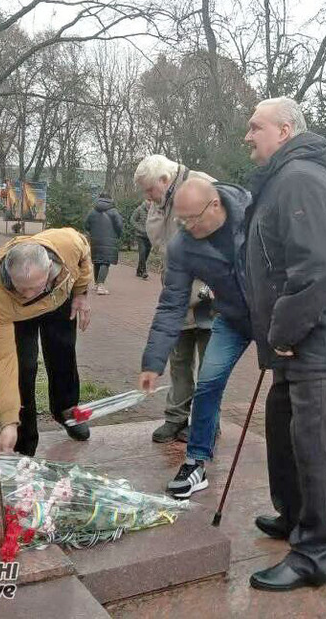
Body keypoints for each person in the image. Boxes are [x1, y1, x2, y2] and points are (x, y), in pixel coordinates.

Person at [243, 97, 326, 591]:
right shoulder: (287, 176)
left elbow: (316, 267)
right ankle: (294, 515)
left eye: (255, 127)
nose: (248, 136)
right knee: (282, 423)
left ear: (284, 129)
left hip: (322, 337)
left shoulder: (299, 178)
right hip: (304, 335)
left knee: (311, 443)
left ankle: (315, 553)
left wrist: (283, 331)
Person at [138, 179, 252, 498]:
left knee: (290, 397)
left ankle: (295, 488)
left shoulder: (256, 217)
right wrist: (153, 362)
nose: (186, 226)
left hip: (276, 317)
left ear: (215, 205)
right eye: (181, 219)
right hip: (232, 319)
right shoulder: (183, 245)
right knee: (207, 383)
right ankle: (195, 463)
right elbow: (172, 304)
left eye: (192, 219)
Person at [0, 229, 93, 456]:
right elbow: (3, 361)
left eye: (34, 287)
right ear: (9, 275)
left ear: (50, 268)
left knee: (63, 353)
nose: (29, 295)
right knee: (23, 367)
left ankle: (66, 410)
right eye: (21, 287)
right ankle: (22, 437)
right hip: (17, 313)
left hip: (58, 298)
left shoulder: (68, 244)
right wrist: (8, 421)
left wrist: (81, 292)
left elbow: (84, 254)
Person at [134, 154, 215, 443]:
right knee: (179, 361)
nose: (147, 197)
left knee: (210, 368)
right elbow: (161, 244)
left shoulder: (203, 187)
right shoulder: (159, 203)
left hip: (209, 298)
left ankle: (206, 423)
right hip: (178, 293)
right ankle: (176, 418)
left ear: (165, 179)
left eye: (150, 190)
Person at [84, 192, 124, 295]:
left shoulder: (92, 211)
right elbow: (119, 226)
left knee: (97, 261)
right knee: (105, 262)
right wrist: (117, 235)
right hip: (109, 240)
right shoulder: (114, 211)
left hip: (95, 239)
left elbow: (86, 225)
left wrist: (93, 232)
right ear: (110, 199)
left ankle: (96, 284)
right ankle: (101, 286)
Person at [130, 199, 152, 280]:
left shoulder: (153, 211)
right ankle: (144, 271)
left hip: (150, 236)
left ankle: (139, 270)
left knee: (146, 254)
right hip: (140, 236)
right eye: (149, 201)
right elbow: (132, 220)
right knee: (142, 252)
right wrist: (140, 229)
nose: (150, 203)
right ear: (146, 201)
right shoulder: (139, 209)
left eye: (151, 202)